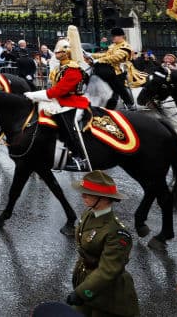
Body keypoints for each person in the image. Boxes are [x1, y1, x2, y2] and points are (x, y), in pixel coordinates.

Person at [66, 171, 139, 316]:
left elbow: (108, 270)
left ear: (104, 198)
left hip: (108, 294)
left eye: (88, 193)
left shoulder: (116, 232)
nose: (83, 195)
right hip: (87, 280)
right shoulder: (89, 213)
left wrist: (81, 293)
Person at [27, 27, 92, 171]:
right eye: (56, 50)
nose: (57, 53)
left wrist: (36, 95)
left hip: (72, 100)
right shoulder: (59, 68)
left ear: (67, 52)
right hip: (61, 99)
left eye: (60, 51)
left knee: (66, 126)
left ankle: (79, 157)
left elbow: (60, 90)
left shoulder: (73, 69)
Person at [90, 27, 140, 108]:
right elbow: (106, 55)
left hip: (120, 71)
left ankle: (129, 103)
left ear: (121, 36)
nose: (112, 38)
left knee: (118, 87)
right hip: (110, 69)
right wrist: (91, 55)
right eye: (112, 36)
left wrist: (99, 60)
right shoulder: (113, 46)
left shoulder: (125, 46)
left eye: (114, 36)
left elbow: (115, 57)